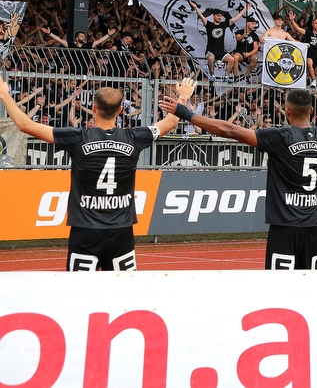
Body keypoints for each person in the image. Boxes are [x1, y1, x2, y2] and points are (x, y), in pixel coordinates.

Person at [0, 77, 195, 271]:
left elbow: (25, 125)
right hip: (121, 230)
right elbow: (170, 122)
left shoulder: (77, 138)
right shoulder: (135, 137)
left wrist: (4, 95)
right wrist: (183, 98)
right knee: (122, 291)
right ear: (120, 111)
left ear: (93, 108)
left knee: (81, 293)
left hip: (86, 230)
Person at [162, 88, 317, 270]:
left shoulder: (280, 137)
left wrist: (185, 112)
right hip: (316, 227)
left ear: (287, 113)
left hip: (284, 228)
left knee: (278, 290)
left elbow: (231, 130)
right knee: (315, 290)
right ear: (312, 112)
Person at [189, 0, 250, 79]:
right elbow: (201, 16)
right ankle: (212, 75)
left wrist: (245, 9)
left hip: (221, 51)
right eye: (218, 15)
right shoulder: (209, 24)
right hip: (211, 51)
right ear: (213, 16)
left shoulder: (223, 24)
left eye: (221, 16)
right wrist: (196, 7)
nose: (219, 17)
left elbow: (235, 19)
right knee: (210, 58)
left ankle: (226, 76)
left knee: (231, 59)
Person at [231, 15, 261, 82]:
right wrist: (243, 36)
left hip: (249, 54)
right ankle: (235, 77)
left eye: (255, 24)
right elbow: (238, 38)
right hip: (240, 53)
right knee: (235, 57)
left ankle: (247, 76)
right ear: (248, 23)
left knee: (255, 58)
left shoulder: (255, 35)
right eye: (252, 24)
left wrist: (248, 54)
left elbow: (256, 49)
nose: (254, 25)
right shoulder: (240, 32)